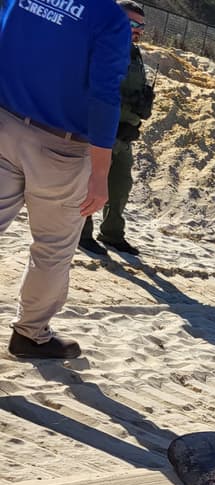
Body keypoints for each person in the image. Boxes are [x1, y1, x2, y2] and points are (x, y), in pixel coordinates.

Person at [1, 0, 131, 360]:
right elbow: (104, 96)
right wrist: (101, 173)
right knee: (53, 247)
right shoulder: (108, 18)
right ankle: (30, 334)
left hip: (3, 119)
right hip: (59, 146)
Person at [80, 0, 154, 257]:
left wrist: (142, 105)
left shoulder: (134, 53)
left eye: (141, 26)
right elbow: (97, 91)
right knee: (90, 184)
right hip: (101, 133)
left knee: (120, 187)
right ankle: (82, 232)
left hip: (125, 135)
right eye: (132, 23)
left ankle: (112, 234)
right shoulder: (101, 46)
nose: (138, 30)